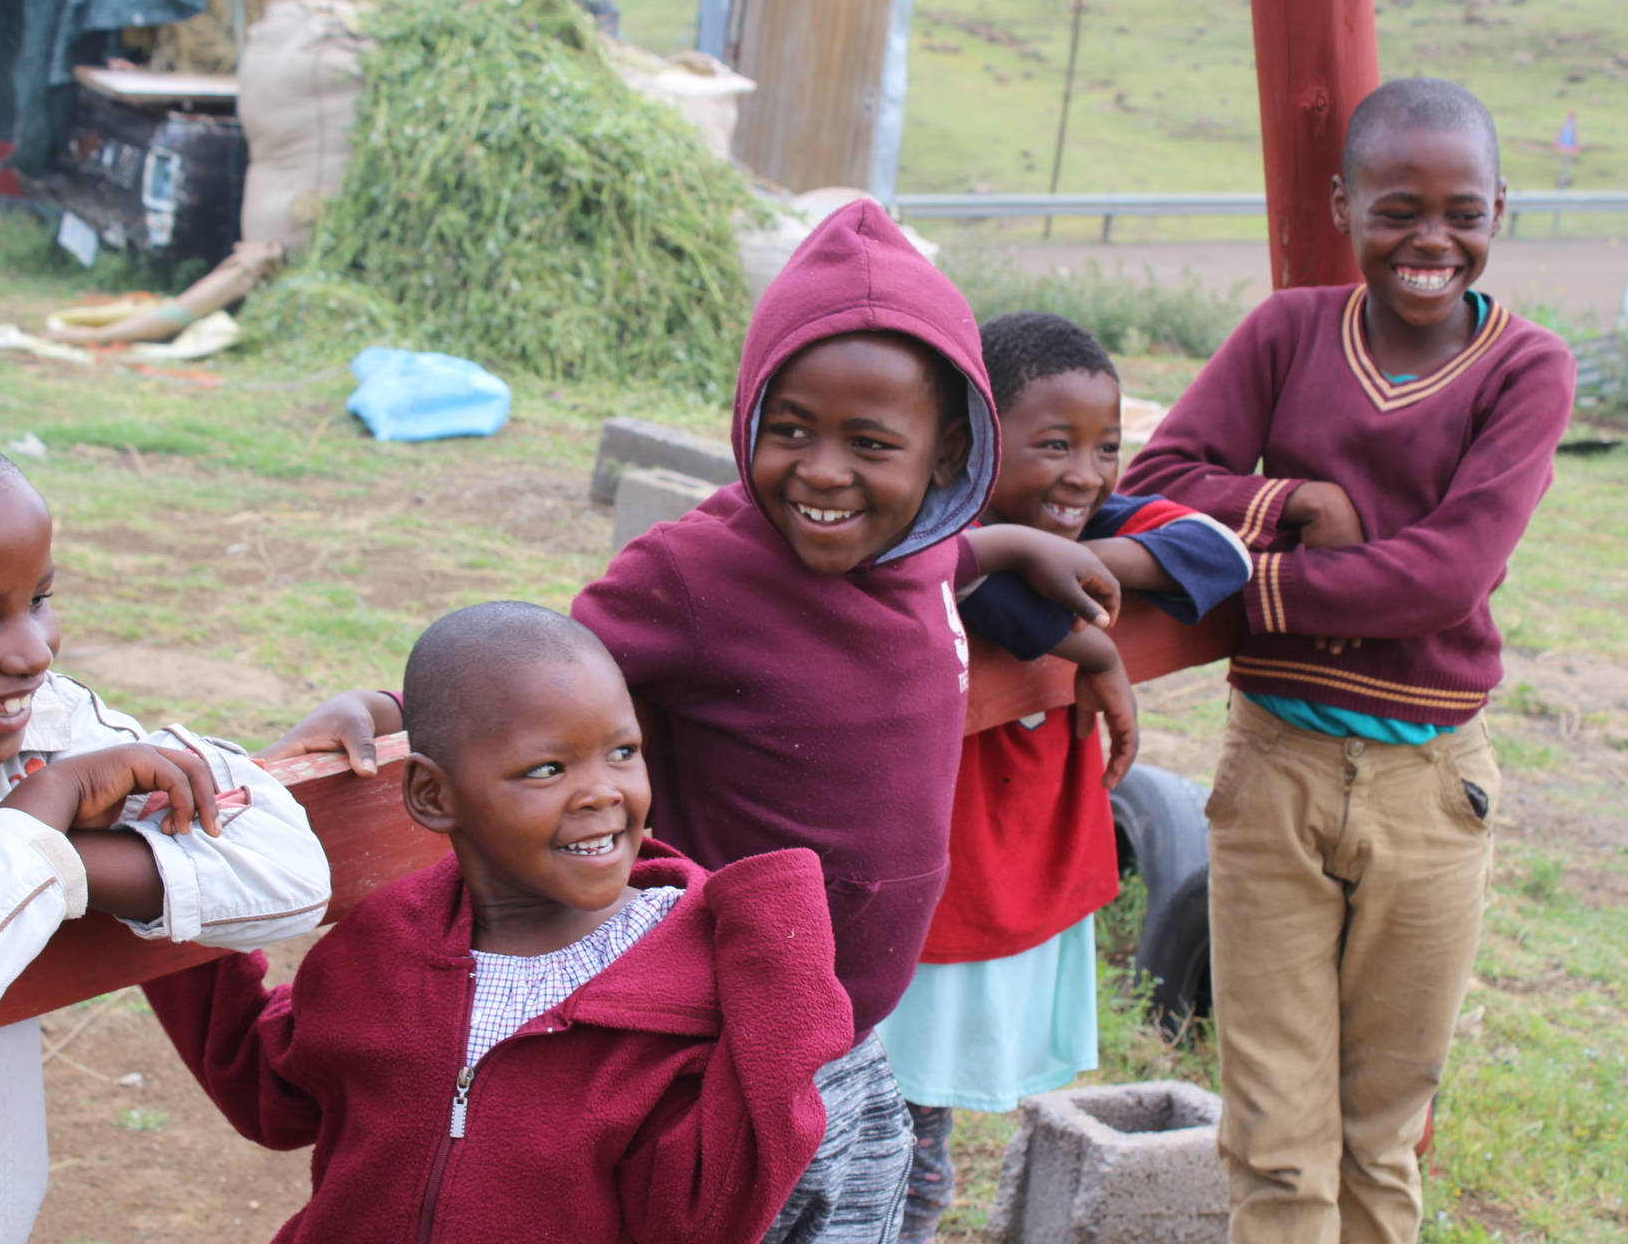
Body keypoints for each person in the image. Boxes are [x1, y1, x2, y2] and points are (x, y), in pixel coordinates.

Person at [266, 199, 1124, 1243]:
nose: (820, 471)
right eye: (790, 428)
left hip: (850, 1038)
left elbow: (951, 554)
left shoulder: (923, 551)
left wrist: (1022, 559)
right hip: (714, 1045)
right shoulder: (700, 569)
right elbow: (551, 670)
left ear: (946, 457)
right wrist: (397, 708)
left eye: (869, 443)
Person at [1119, 78, 1576, 1244]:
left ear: (1500, 210)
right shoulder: (1286, 333)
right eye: (1397, 209)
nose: (1432, 240)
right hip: (1273, 765)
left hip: (1433, 787)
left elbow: (1444, 575)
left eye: (1462, 212)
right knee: (1273, 1133)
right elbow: (1159, 479)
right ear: (1345, 204)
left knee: (1380, 1126)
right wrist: (1292, 495)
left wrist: (1254, 584)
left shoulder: (1528, 369)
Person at [145, 602, 855, 1244]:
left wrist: (784, 978)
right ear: (431, 795)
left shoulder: (689, 982)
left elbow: (699, 1222)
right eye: (547, 769)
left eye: (623, 752)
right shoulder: (385, 941)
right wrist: (176, 883)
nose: (602, 792)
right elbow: (269, 1092)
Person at [0, 406, 332, 1244]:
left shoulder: (41, 715)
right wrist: (44, 808)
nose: (34, 652)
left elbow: (289, 872)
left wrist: (69, 866)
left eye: (40, 601)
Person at [878, 312, 1253, 1242]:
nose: (1086, 473)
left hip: (1017, 888)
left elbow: (1222, 552)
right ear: (970, 444)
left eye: (1107, 447)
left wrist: (1071, 563)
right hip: (937, 899)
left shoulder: (1086, 516)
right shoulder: (920, 538)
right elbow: (963, 576)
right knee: (891, 1139)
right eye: (1055, 445)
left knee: (921, 1133)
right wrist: (1086, 638)